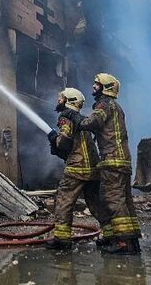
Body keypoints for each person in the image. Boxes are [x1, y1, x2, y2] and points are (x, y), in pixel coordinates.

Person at [73, 73, 141, 255]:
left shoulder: (104, 104)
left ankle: (123, 244)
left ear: (106, 87)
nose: (94, 87)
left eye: (97, 84)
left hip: (112, 161)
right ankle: (129, 240)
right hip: (122, 161)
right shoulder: (116, 106)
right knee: (124, 200)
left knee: (112, 199)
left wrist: (75, 118)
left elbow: (91, 122)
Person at [45, 88, 111, 250]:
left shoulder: (65, 118)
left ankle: (62, 239)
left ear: (69, 100)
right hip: (93, 168)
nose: (58, 100)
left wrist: (55, 139)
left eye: (60, 98)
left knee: (63, 200)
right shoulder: (82, 119)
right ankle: (112, 234)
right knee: (96, 203)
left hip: (76, 168)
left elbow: (64, 142)